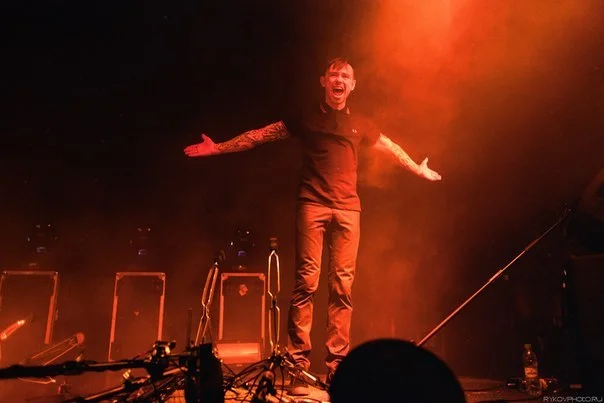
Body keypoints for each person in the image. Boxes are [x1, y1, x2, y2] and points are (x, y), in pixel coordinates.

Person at [184, 57, 442, 395]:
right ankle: (297, 367)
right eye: (334, 74)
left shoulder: (359, 123)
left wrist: (417, 169)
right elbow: (260, 135)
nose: (339, 80)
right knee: (306, 282)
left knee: (343, 287)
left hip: (349, 209)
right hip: (312, 205)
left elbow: (390, 147)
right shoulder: (306, 117)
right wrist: (218, 148)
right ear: (324, 81)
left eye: (345, 76)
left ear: (353, 85)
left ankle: (337, 369)